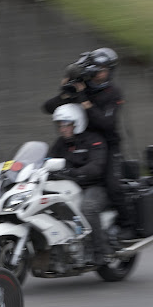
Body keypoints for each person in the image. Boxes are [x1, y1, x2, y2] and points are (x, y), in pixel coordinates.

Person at [43, 48, 136, 240]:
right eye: (97, 69)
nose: (99, 73)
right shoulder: (82, 86)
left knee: (113, 185)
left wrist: (84, 99)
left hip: (109, 144)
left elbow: (106, 123)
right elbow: (49, 108)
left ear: (110, 71)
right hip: (81, 142)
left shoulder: (113, 92)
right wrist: (64, 90)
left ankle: (127, 225)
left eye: (103, 69)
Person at [48, 103, 114, 266]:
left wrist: (73, 173)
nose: (62, 129)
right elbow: (47, 161)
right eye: (59, 125)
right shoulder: (60, 144)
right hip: (69, 188)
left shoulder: (94, 141)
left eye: (65, 124)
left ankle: (99, 252)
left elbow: (96, 166)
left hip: (94, 187)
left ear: (77, 123)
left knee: (88, 208)